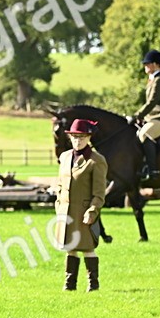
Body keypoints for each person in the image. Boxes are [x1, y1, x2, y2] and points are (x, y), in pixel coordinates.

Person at [54, 119, 108, 291]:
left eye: (82, 137)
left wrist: (93, 210)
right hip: (65, 211)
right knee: (70, 248)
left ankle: (93, 284)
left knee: (87, 248)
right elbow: (61, 184)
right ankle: (70, 284)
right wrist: (58, 205)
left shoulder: (96, 160)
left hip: (84, 212)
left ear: (89, 137)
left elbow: (99, 193)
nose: (78, 141)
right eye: (75, 137)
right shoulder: (64, 157)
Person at [127, 50, 160, 181]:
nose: (145, 65)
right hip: (154, 117)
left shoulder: (159, 80)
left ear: (156, 64)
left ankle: (152, 169)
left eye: (147, 63)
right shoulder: (152, 80)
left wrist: (137, 115)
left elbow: (151, 102)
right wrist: (141, 118)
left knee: (144, 135)